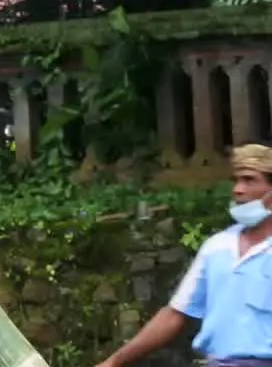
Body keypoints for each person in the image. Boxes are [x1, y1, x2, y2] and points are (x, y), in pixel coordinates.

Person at [95, 142, 272, 367]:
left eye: (249, 180)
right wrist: (113, 362)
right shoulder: (217, 247)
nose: (238, 189)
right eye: (236, 180)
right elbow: (175, 315)